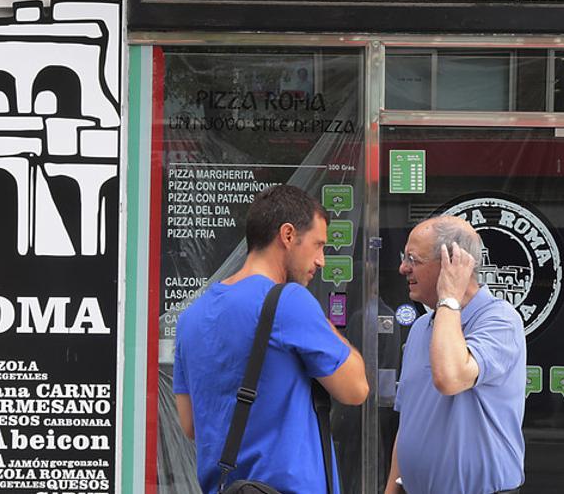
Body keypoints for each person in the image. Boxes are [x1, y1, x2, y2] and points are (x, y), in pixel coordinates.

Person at [174, 184, 369, 494]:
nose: (321, 260)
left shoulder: (190, 317)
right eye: (318, 245)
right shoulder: (289, 301)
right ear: (288, 235)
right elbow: (356, 389)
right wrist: (323, 324)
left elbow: (190, 424)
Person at [384, 216, 526, 494]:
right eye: (405, 257)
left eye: (413, 259)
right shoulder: (421, 327)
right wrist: (392, 489)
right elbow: (409, 421)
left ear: (452, 261)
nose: (403, 268)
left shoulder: (499, 320)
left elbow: (450, 377)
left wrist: (449, 296)